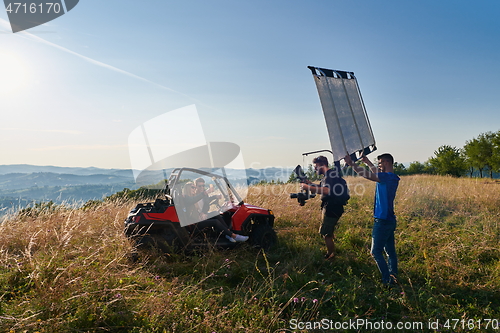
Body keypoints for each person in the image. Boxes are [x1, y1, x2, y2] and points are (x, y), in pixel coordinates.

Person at [344, 153, 400, 286]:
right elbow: (374, 172)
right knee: (390, 252)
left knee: (375, 252)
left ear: (386, 163)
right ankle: (394, 276)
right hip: (389, 220)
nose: (379, 166)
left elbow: (367, 175)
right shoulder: (392, 177)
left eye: (380, 164)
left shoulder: (386, 177)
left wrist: (352, 164)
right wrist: (367, 161)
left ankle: (388, 281)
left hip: (382, 221)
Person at [300, 156, 349, 260]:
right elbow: (322, 187)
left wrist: (308, 187)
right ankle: (331, 251)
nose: (314, 169)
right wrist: (311, 184)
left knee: (326, 234)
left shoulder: (329, 176)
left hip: (332, 207)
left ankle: (330, 256)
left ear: (321, 165)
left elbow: (327, 191)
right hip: (334, 206)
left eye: (315, 167)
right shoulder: (329, 175)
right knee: (328, 232)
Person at [182, 182, 248, 243]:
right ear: (187, 188)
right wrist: (207, 191)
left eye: (195, 187)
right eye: (193, 187)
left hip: (197, 219)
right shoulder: (186, 198)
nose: (194, 189)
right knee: (215, 222)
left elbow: (195, 208)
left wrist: (201, 214)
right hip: (194, 224)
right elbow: (192, 201)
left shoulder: (191, 198)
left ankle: (228, 233)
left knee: (215, 213)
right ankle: (234, 236)